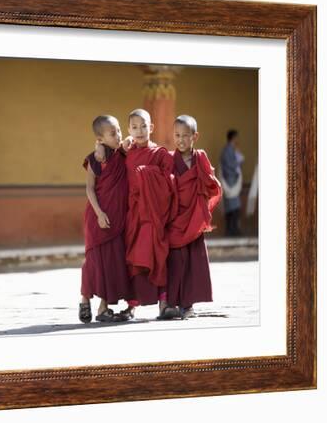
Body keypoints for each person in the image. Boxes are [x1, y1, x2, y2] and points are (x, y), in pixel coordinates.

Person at [99, 109, 178, 321]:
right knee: (133, 260)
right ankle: (131, 306)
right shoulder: (126, 152)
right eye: (134, 127)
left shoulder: (160, 153)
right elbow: (105, 162)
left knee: (157, 256)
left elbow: (168, 182)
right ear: (129, 130)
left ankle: (164, 303)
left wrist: (146, 173)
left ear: (151, 127)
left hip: (153, 216)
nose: (140, 131)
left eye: (144, 126)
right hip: (133, 215)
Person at [166, 115, 222, 319]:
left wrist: (206, 184)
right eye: (177, 135)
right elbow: (165, 185)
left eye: (185, 135)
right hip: (176, 216)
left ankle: (188, 304)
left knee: (193, 261)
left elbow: (210, 182)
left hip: (195, 217)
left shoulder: (200, 157)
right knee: (175, 260)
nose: (180, 140)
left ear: (195, 136)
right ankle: (171, 302)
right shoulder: (170, 158)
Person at [79, 115, 132, 323]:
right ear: (100, 138)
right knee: (93, 261)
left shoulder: (122, 154)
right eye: (113, 133)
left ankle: (103, 307)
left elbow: (133, 139)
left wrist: (123, 141)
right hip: (98, 217)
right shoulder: (95, 159)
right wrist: (100, 213)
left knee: (111, 263)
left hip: (117, 219)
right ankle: (84, 300)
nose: (118, 135)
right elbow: (89, 189)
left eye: (119, 130)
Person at [219, 129, 244, 236]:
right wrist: (238, 161)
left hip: (231, 180)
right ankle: (232, 230)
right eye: (237, 137)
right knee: (233, 207)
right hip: (230, 181)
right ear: (233, 138)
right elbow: (231, 165)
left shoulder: (230, 149)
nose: (238, 140)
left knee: (233, 207)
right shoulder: (228, 150)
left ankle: (232, 230)